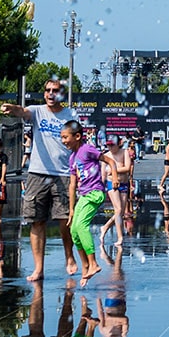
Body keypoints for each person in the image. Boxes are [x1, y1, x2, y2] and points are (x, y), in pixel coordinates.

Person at [0, 80, 79, 283]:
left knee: (65, 220)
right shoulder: (37, 111)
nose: (51, 94)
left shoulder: (70, 115)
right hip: (37, 173)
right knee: (36, 220)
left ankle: (69, 257)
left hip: (63, 173)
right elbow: (22, 112)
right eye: (47, 90)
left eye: (55, 91)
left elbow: (79, 143)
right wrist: (11, 108)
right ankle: (38, 268)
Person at [62, 119, 105, 284]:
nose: (63, 141)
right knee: (73, 230)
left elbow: (108, 161)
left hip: (95, 193)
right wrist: (71, 209)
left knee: (81, 226)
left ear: (78, 136)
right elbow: (72, 185)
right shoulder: (72, 158)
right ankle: (86, 266)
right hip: (84, 195)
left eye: (66, 137)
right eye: (62, 137)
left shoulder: (87, 149)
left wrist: (114, 176)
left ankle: (93, 263)